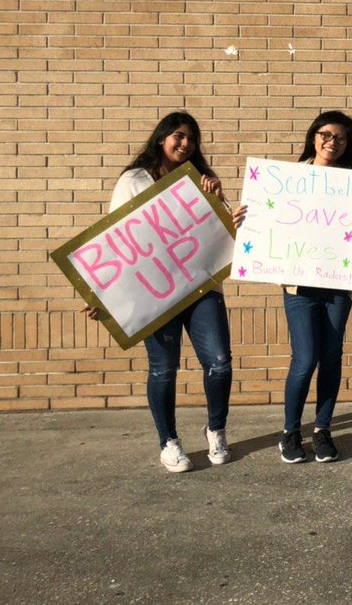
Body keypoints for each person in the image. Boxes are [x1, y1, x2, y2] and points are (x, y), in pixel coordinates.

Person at [83, 111, 247, 473]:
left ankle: (215, 430)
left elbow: (220, 237)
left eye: (191, 138)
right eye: (178, 136)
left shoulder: (201, 180)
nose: (185, 143)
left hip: (201, 284)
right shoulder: (134, 180)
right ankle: (169, 442)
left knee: (219, 362)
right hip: (154, 289)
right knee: (163, 369)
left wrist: (222, 205)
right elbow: (116, 238)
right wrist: (100, 292)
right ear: (162, 138)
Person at [278, 110, 352, 464]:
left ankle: (322, 429)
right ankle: (290, 431)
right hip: (301, 286)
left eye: (340, 138)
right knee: (305, 358)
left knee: (331, 358)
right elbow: (273, 222)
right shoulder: (290, 179)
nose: (332, 142)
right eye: (326, 134)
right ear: (313, 137)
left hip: (339, 286)